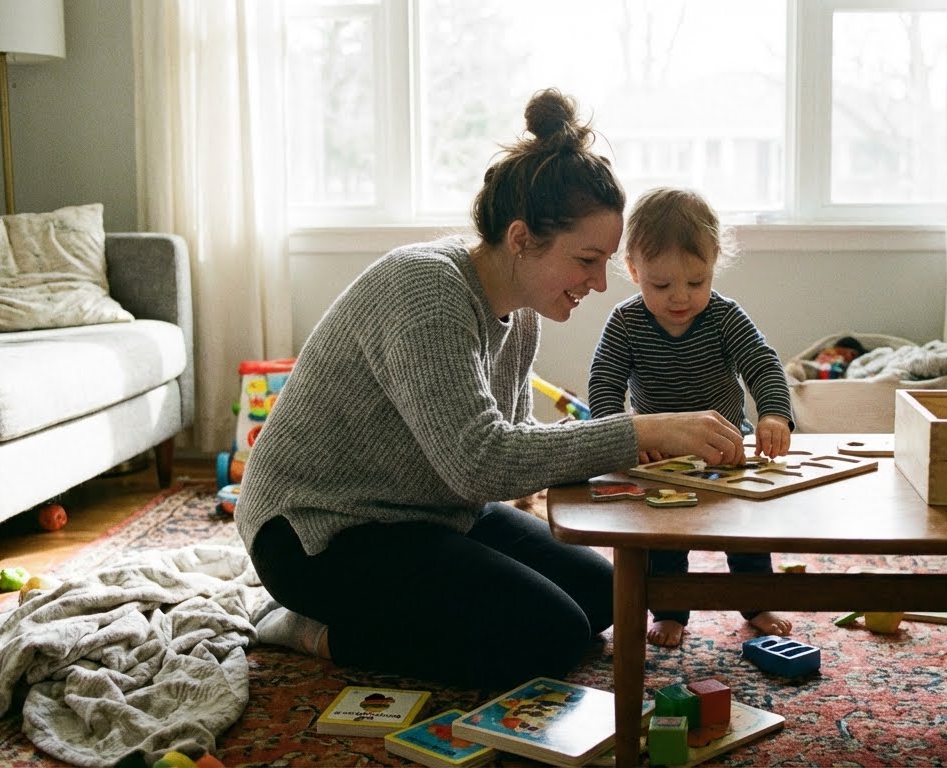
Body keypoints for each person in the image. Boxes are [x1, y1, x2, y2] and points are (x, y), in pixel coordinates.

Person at [234, 89, 745, 690]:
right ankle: (308, 628)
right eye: (587, 259)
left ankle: (388, 610)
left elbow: (512, 446)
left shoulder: (525, 309)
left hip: (434, 512)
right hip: (319, 532)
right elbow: (479, 462)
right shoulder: (423, 289)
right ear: (522, 239)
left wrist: (632, 452)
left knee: (609, 597)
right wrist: (637, 431)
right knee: (545, 635)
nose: (600, 284)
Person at [587, 186, 795, 648]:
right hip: (660, 456)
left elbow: (762, 363)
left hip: (726, 450)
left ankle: (757, 603)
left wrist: (775, 415)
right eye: (661, 285)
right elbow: (604, 383)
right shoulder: (625, 323)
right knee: (665, 537)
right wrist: (620, 437)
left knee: (743, 534)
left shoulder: (724, 318)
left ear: (715, 262)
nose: (680, 297)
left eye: (696, 282)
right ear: (633, 269)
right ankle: (669, 611)